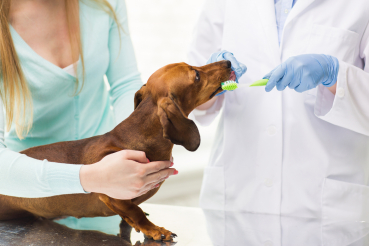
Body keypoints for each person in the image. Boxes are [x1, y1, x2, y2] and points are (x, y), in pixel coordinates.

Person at [189, 0, 369, 219]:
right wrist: (206, 80)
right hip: (238, 198)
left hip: (324, 206)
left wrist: (333, 74)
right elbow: (192, 103)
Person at [0, 0, 177, 201]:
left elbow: (124, 84)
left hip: (108, 192)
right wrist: (93, 177)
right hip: (29, 197)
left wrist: (136, 146)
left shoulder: (104, 4)